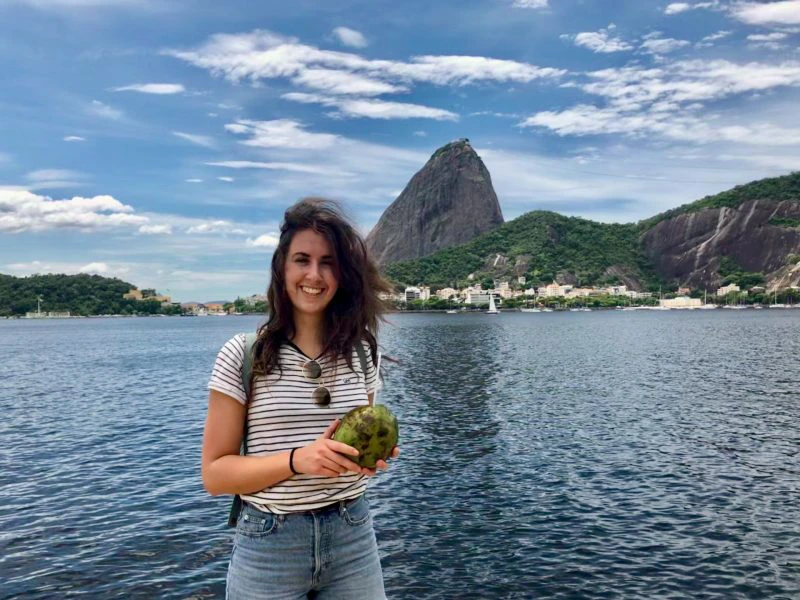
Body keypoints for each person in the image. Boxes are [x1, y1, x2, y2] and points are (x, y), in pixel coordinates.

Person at [202, 198, 399, 599]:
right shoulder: (243, 354)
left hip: (352, 533)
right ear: (282, 268)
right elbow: (215, 475)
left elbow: (356, 453)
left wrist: (370, 461)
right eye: (302, 259)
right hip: (270, 542)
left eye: (328, 262)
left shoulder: (362, 352)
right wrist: (298, 460)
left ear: (343, 274)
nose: (314, 274)